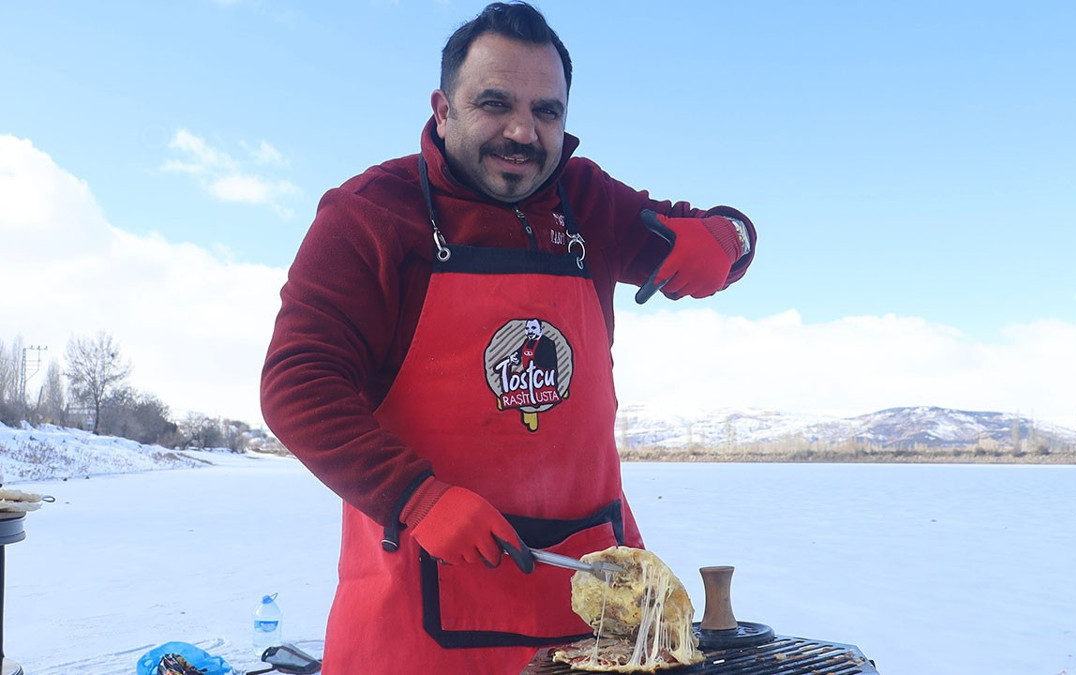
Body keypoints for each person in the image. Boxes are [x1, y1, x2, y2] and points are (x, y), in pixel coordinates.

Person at [259, 2, 756, 673]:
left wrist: (725, 240)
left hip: (595, 610)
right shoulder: (370, 215)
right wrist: (416, 496)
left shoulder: (586, 201)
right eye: (495, 103)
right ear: (443, 108)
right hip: (420, 615)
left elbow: (723, 229)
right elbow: (297, 383)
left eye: (547, 111)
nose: (523, 131)